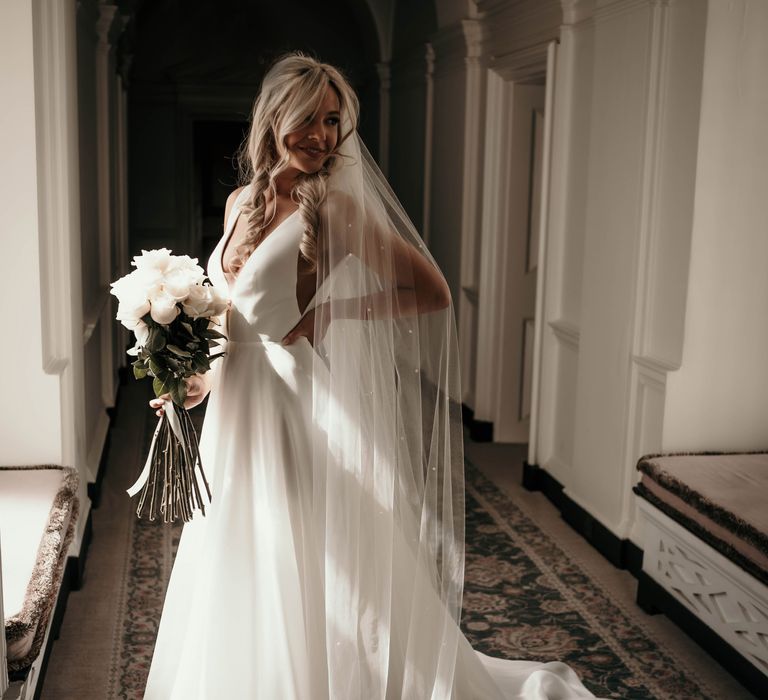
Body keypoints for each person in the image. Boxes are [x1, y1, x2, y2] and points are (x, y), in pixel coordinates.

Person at [143, 52, 599, 699]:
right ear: (275, 118)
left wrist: (334, 308)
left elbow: (430, 288)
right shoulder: (239, 204)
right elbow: (232, 323)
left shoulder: (335, 210)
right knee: (243, 547)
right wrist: (193, 381)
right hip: (236, 406)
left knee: (307, 548)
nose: (323, 136)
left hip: (289, 402)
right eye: (310, 118)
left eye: (334, 121)